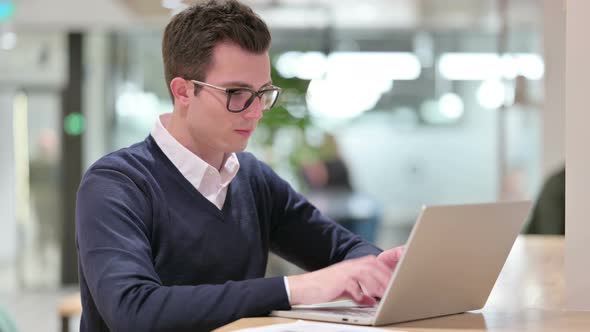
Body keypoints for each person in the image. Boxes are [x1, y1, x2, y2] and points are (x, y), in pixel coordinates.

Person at [75, 1, 404, 331]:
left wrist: (378, 265)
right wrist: (294, 289)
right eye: (236, 93)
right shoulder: (116, 184)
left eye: (262, 93)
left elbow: (342, 248)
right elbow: (133, 310)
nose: (256, 112)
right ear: (183, 91)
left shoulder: (252, 179)